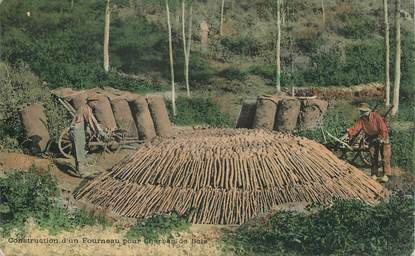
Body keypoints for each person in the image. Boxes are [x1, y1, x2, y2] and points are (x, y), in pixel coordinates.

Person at [346, 103, 392, 182]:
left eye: (363, 111)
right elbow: (356, 128)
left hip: (382, 135)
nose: (362, 113)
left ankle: (386, 174)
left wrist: (381, 138)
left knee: (385, 156)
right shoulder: (362, 119)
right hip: (372, 137)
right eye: (361, 111)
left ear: (368, 111)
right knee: (373, 156)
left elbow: (383, 128)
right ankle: (374, 174)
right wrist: (350, 132)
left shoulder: (376, 116)